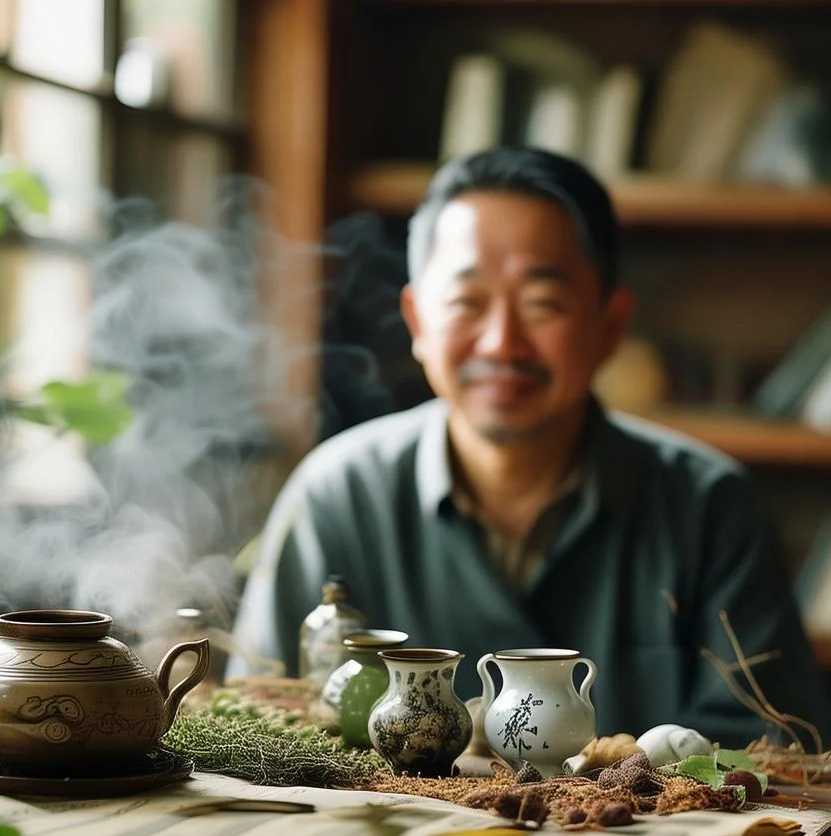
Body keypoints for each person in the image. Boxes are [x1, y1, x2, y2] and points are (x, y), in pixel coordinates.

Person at [229, 146, 830, 750]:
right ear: (416, 320)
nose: (502, 342)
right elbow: (261, 725)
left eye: (543, 303)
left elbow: (776, 750)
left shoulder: (711, 507)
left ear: (609, 326)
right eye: (467, 302)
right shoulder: (338, 494)